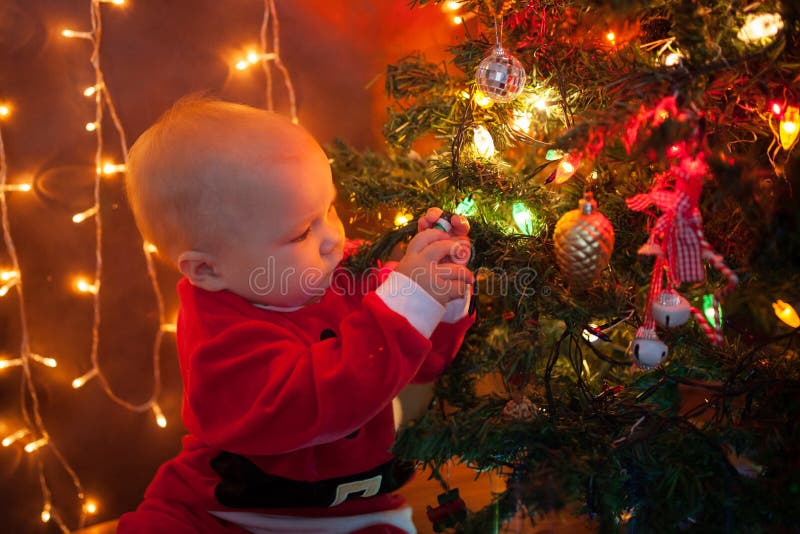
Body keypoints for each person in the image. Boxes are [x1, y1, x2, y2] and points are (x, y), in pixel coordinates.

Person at [117, 96, 475, 533]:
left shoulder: (344, 271)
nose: (331, 239)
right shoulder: (216, 333)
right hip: (222, 508)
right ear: (208, 269)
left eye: (330, 209)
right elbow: (314, 402)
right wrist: (408, 302)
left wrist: (441, 293)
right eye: (302, 231)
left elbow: (423, 363)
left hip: (354, 513)